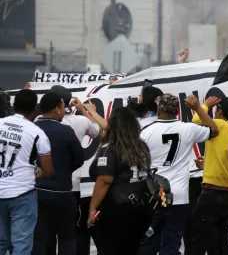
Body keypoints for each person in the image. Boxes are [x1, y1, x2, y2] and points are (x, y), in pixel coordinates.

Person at [139, 94, 219, 255]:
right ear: (177, 111)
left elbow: (138, 163)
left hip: (156, 195)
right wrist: (198, 108)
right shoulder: (188, 128)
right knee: (172, 244)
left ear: (159, 110)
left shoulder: (146, 132)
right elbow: (214, 130)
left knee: (149, 242)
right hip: (179, 196)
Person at [87, 107, 152, 255]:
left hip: (116, 208)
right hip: (140, 205)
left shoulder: (110, 148)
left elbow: (104, 180)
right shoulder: (142, 146)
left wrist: (92, 208)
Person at [0, 89, 53, 255]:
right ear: (33, 111)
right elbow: (49, 170)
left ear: (14, 106)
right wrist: (38, 172)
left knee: (1, 242)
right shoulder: (37, 132)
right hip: (23, 194)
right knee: (21, 244)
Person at [32, 92, 84, 255]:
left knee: (39, 237)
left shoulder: (33, 128)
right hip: (62, 191)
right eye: (63, 107)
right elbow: (79, 159)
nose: (64, 111)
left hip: (37, 192)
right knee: (66, 237)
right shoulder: (66, 131)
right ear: (56, 110)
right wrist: (64, 170)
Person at [190, 96, 228, 255]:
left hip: (211, 192)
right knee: (220, 238)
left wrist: (204, 105)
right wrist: (208, 164)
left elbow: (195, 122)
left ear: (219, 111)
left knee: (199, 238)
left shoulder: (217, 124)